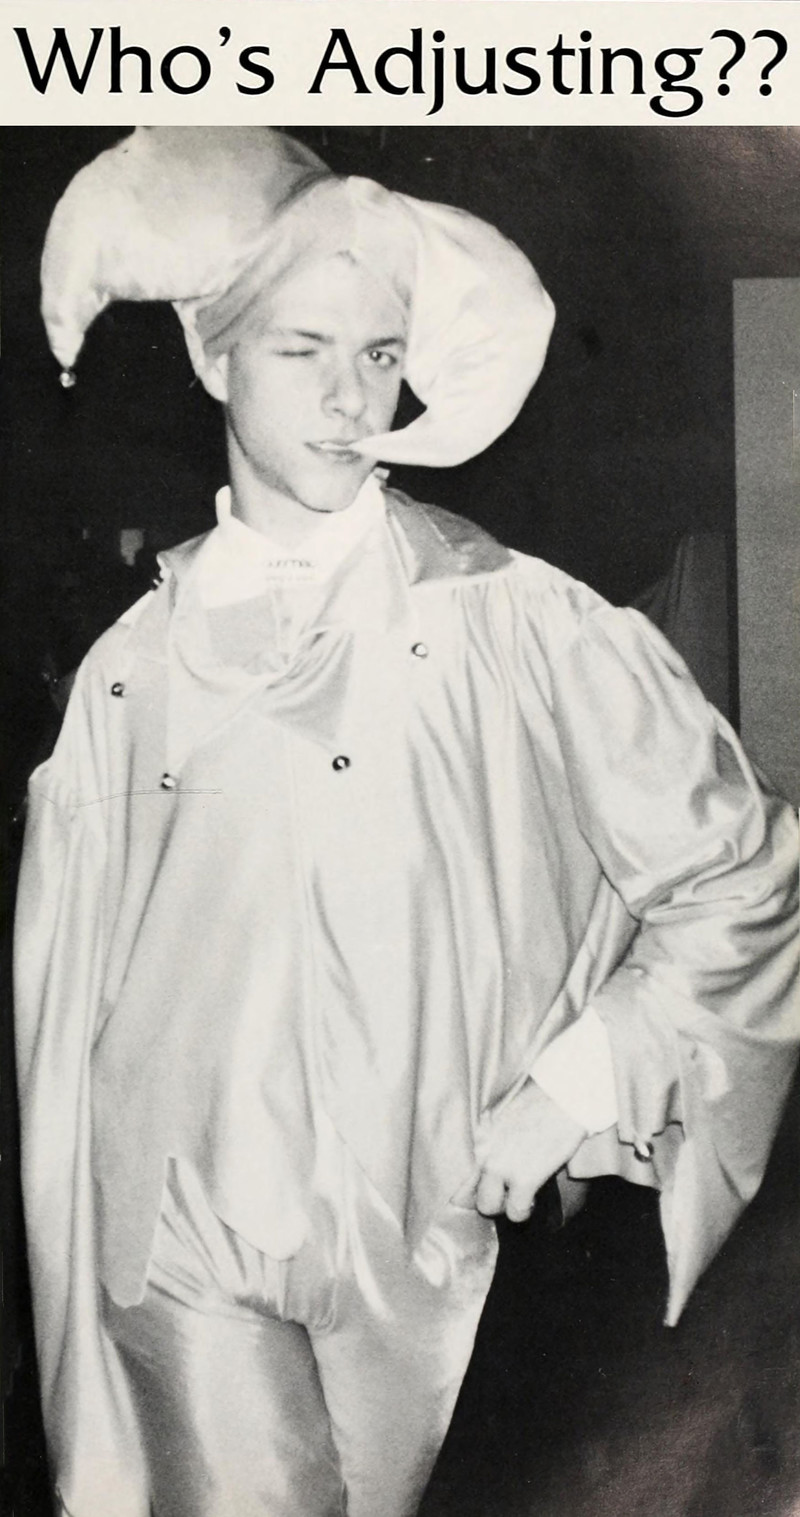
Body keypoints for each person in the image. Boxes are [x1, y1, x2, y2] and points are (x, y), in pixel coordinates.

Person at [14, 127, 799, 1517]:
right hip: (176, 1229)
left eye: (379, 354)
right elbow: (64, 1004)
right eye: (302, 348)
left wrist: (582, 1080)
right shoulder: (131, 672)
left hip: (417, 1238)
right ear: (213, 356)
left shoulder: (519, 624)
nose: (349, 398)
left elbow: (741, 875)